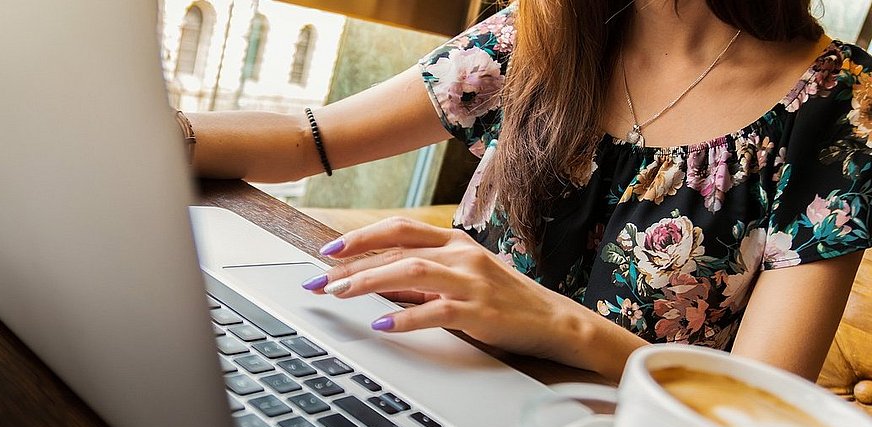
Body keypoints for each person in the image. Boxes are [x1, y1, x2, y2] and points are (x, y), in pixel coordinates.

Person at [182, 0, 871, 382]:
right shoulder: (542, 31)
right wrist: (137, 127)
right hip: (427, 385)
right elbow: (310, 138)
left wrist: (561, 326)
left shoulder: (842, 108)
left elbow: (757, 407)